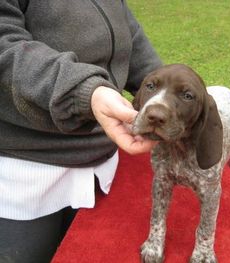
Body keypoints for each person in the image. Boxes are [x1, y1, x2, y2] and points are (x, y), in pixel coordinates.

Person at [0, 1, 162, 262]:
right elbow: (4, 44)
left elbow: (129, 36)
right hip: (25, 173)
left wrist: (165, 92)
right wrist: (85, 92)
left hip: (103, 162)